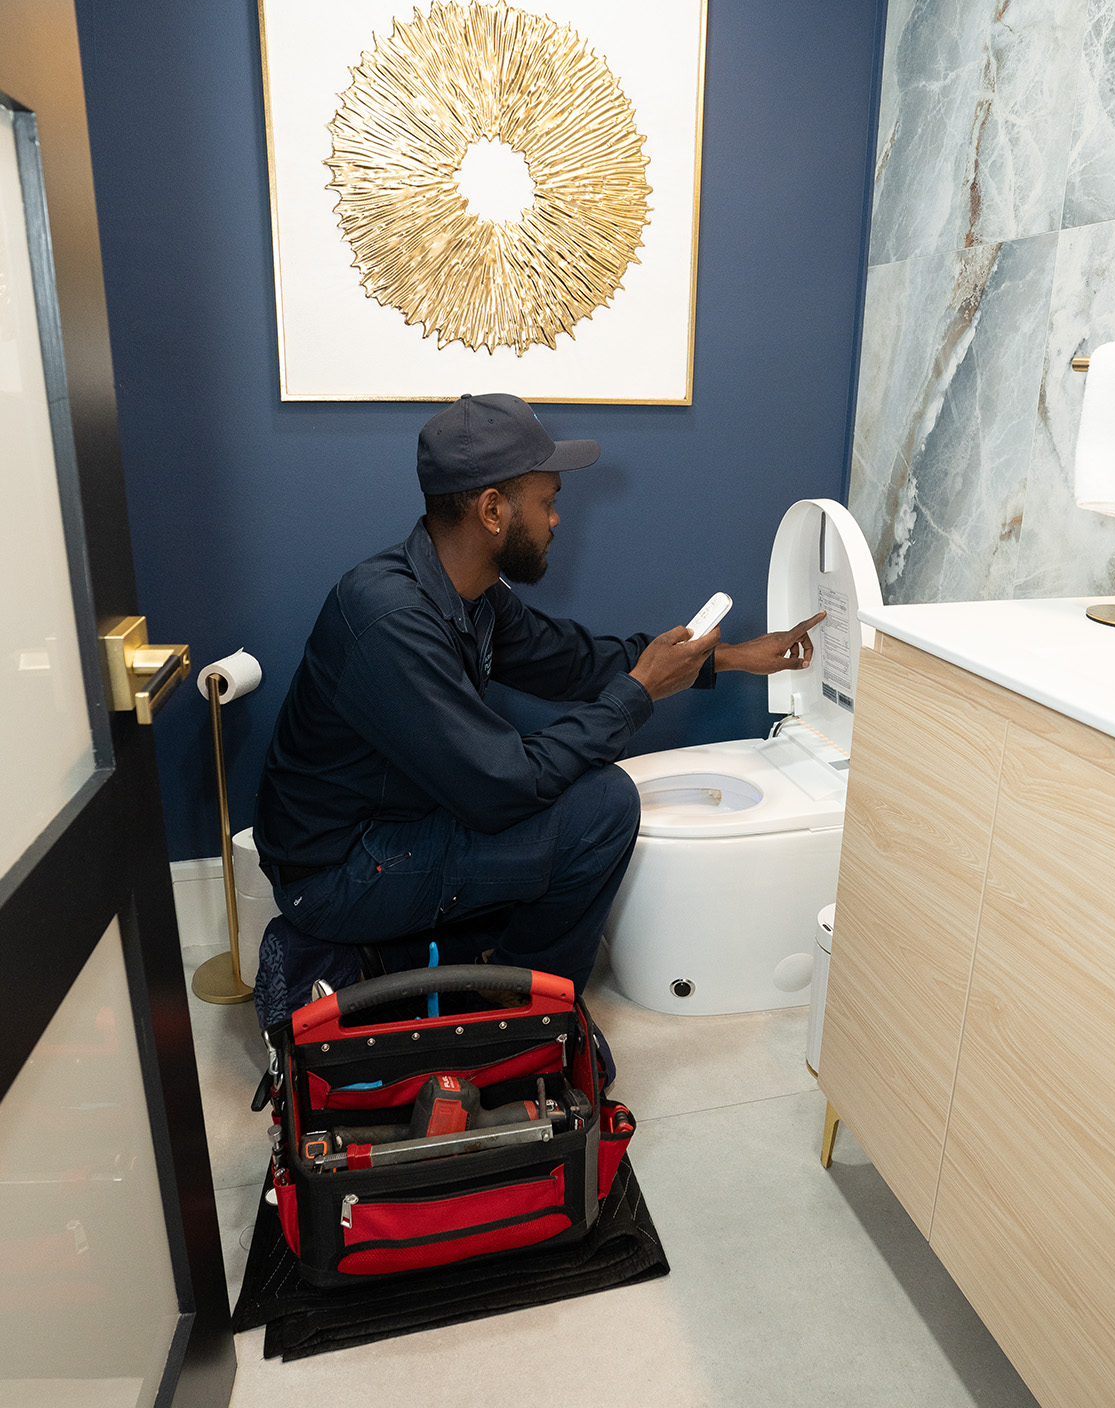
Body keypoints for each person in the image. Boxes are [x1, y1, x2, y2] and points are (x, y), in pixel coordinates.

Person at [253, 393, 824, 996]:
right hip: (337, 874)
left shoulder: (468, 592)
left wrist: (730, 657)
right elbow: (502, 788)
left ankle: (427, 961)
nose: (555, 520)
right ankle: (524, 1008)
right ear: (492, 510)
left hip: (400, 825)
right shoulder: (391, 619)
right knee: (603, 807)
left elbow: (573, 662)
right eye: (548, 501)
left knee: (570, 807)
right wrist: (639, 692)